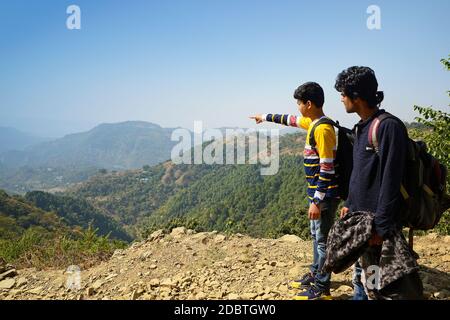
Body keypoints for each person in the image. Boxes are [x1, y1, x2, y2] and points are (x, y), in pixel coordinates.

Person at [336, 66, 423, 299]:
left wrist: (381, 227)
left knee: (394, 286)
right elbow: (360, 174)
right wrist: (350, 202)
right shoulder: (361, 128)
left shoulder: (388, 126)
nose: (341, 99)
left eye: (343, 94)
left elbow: (390, 179)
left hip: (379, 225)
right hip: (363, 222)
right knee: (369, 280)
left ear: (357, 96)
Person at [250, 82, 339, 300]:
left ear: (308, 104)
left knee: (322, 241)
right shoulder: (313, 122)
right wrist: (265, 116)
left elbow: (327, 167)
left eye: (299, 103)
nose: (297, 107)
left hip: (324, 196)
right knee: (315, 236)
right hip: (317, 195)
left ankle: (322, 287)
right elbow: (289, 120)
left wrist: (316, 201)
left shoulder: (323, 129)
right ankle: (316, 272)